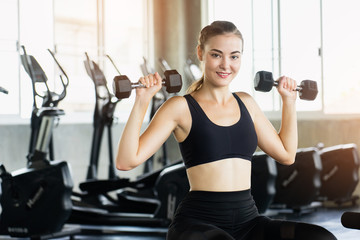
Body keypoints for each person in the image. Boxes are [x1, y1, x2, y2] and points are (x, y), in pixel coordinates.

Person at [116, 21, 337, 240]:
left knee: (320, 237)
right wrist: (142, 101)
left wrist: (289, 102)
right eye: (216, 55)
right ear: (201, 53)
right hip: (198, 225)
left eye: (234, 56)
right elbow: (126, 161)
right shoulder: (180, 107)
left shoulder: (246, 103)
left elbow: (287, 155)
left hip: (248, 222)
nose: (226, 65)